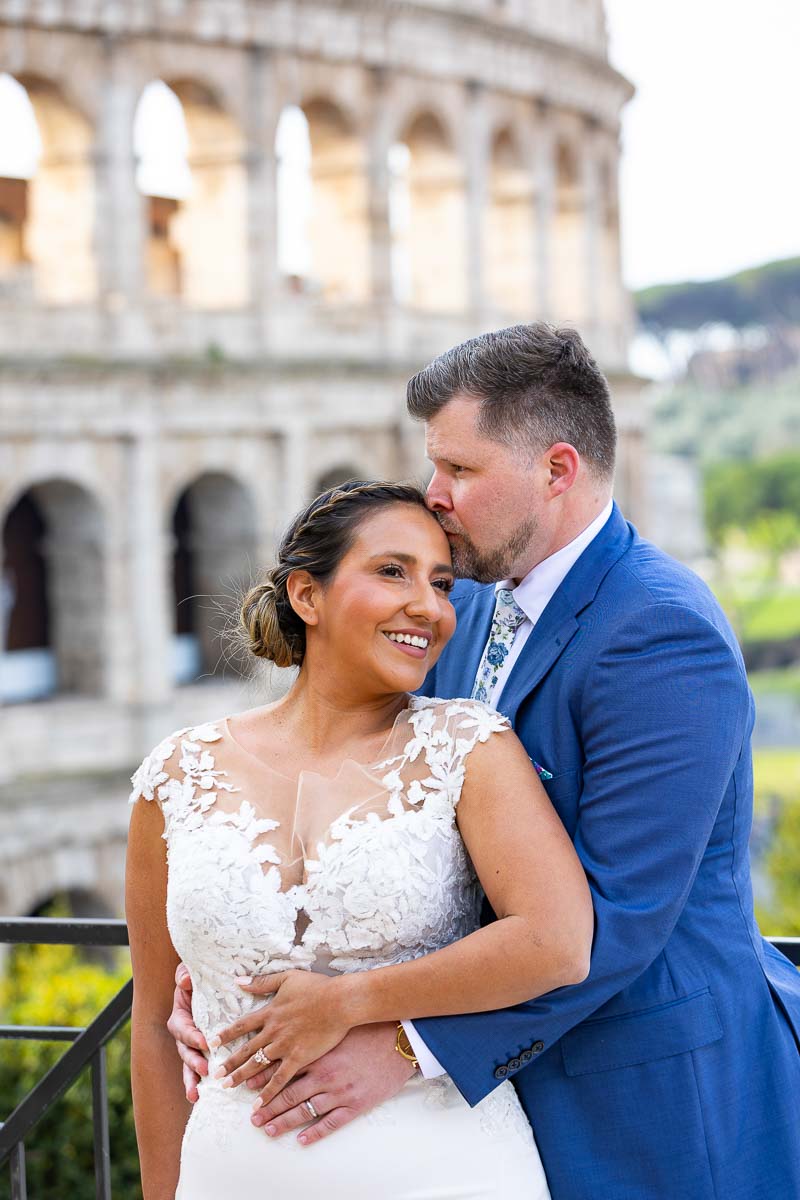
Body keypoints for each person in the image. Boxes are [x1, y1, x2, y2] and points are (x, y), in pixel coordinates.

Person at [170, 323, 800, 1199]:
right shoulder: (455, 609)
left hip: (647, 1097)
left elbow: (621, 916)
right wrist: (220, 978)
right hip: (487, 1112)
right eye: (435, 468)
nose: (435, 497)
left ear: (557, 469)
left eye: (459, 471)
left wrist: (404, 1047)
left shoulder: (660, 631)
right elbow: (393, 815)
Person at [126, 479, 593, 1199]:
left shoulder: (469, 748)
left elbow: (556, 942)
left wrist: (349, 1001)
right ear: (306, 596)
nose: (430, 608)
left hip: (443, 1168)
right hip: (232, 1175)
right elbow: (156, 1028)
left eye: (441, 583)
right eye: (392, 571)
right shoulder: (176, 774)